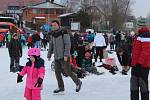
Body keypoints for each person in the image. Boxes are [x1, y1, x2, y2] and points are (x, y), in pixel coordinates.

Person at [47, 20, 82, 93]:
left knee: (68, 71)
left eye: (55, 25)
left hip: (64, 56)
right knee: (57, 72)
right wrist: (49, 54)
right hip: (56, 56)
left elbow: (67, 44)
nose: (53, 26)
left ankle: (78, 82)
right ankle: (61, 87)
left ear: (58, 25)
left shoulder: (64, 32)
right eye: (52, 25)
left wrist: (66, 55)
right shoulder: (53, 34)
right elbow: (51, 45)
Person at [130, 27, 150, 100]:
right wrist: (131, 61)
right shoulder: (139, 36)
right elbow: (136, 51)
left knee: (143, 85)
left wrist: (139, 63)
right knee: (133, 85)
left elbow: (146, 51)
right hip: (135, 65)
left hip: (143, 66)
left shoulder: (146, 35)